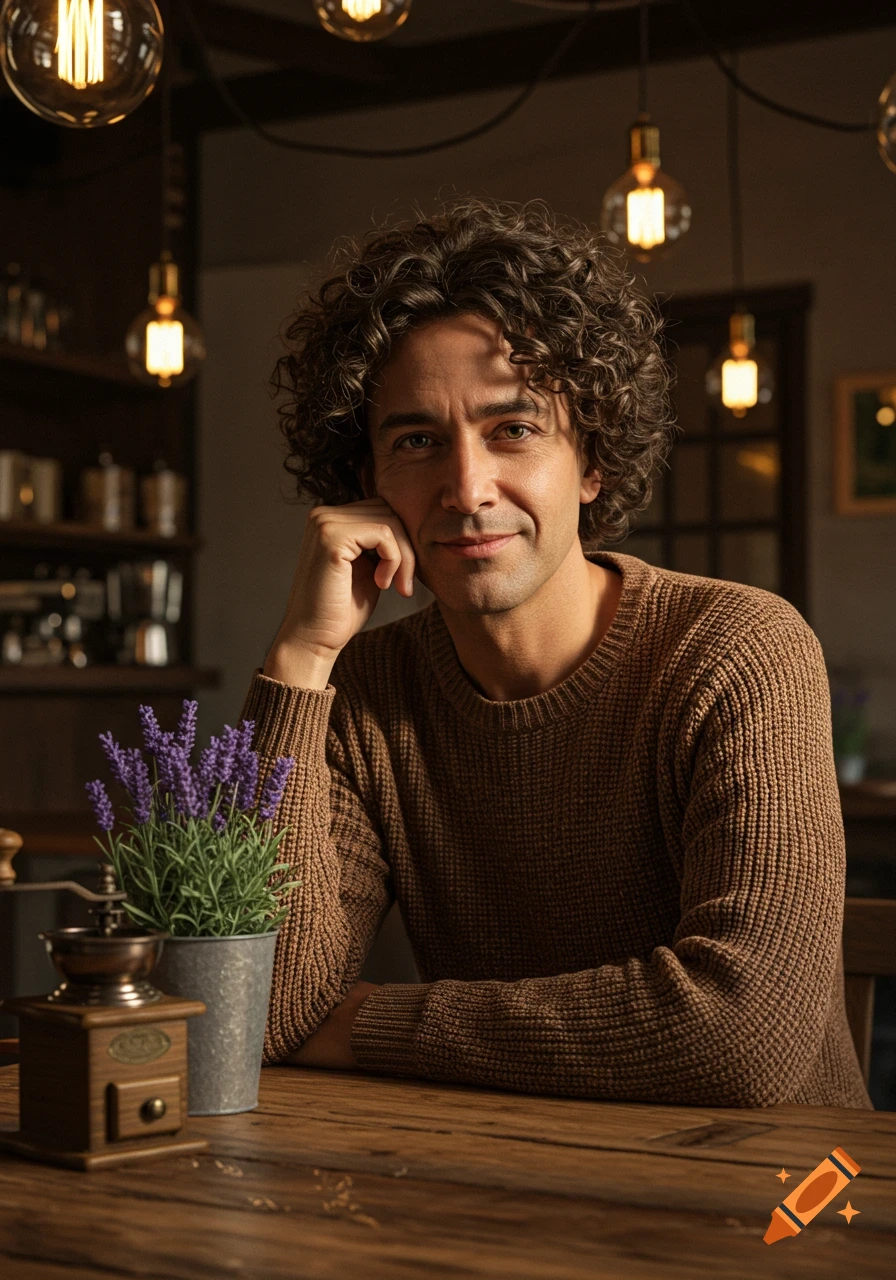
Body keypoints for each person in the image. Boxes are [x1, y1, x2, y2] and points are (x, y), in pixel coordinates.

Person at [240, 197, 872, 1108]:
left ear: (593, 459)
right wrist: (300, 659)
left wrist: (373, 1025)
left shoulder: (737, 650)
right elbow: (260, 1005)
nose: (465, 487)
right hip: (513, 1183)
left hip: (785, 1207)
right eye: (417, 440)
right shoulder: (365, 691)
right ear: (368, 482)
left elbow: (743, 1035)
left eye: (514, 429)